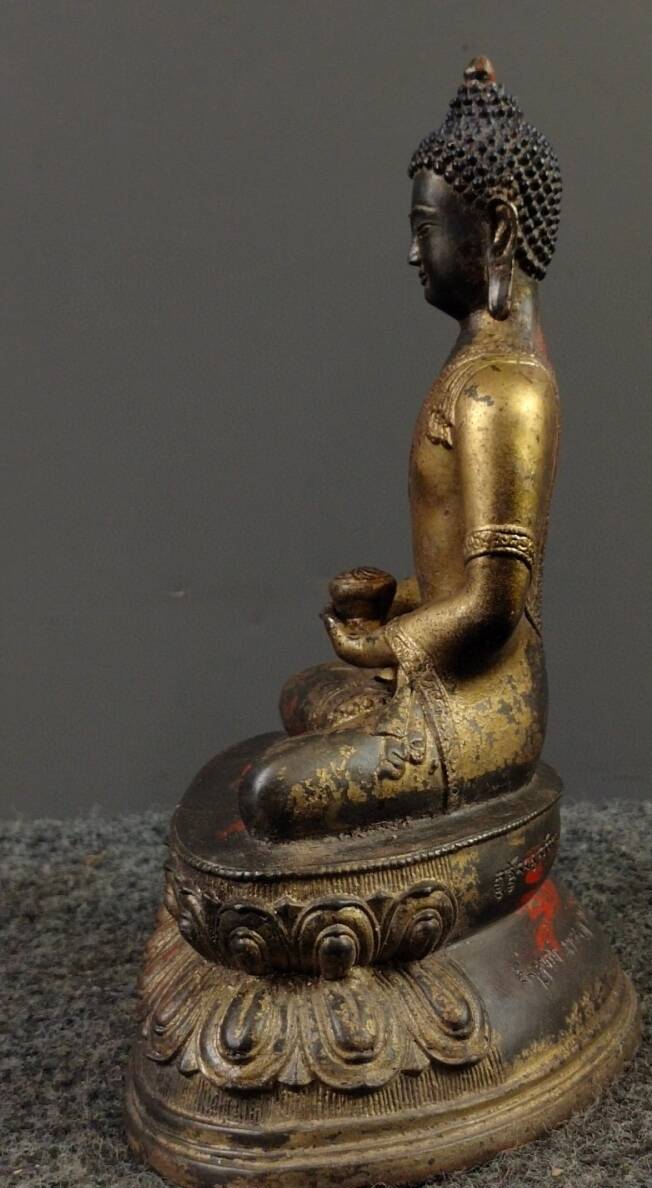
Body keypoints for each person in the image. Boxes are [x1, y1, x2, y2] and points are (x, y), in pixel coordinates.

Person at [240, 58, 563, 840]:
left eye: (425, 231)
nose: (413, 255)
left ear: (497, 230)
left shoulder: (506, 389)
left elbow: (495, 606)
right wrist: (400, 599)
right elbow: (458, 582)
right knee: (304, 693)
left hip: (480, 705)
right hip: (440, 671)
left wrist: (385, 645)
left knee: (270, 795)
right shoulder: (472, 369)